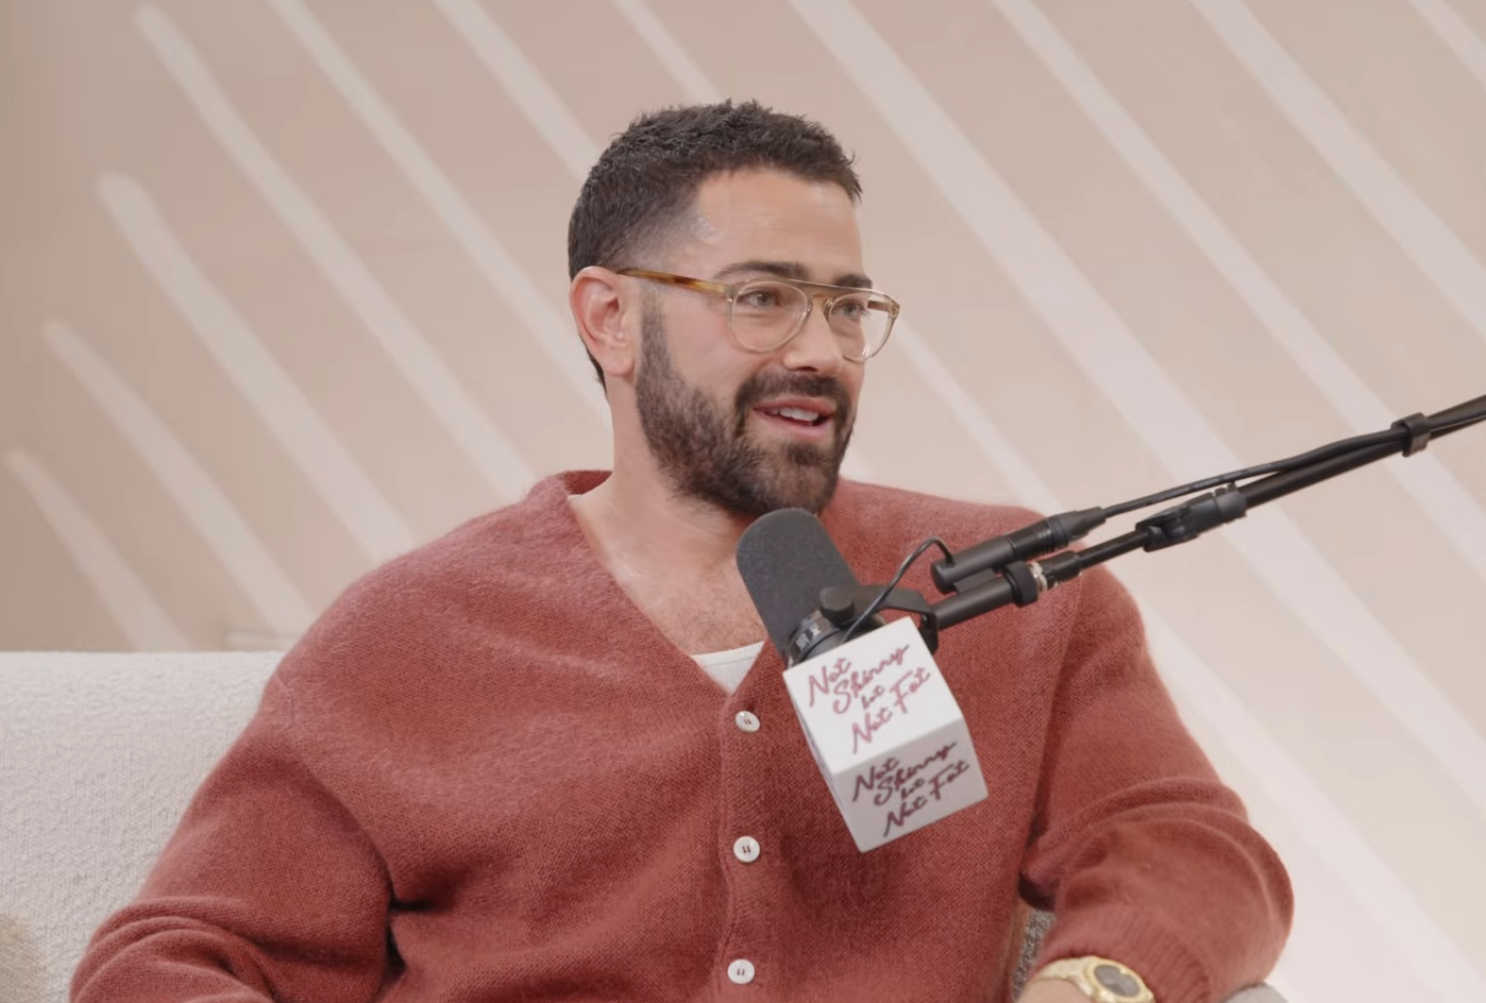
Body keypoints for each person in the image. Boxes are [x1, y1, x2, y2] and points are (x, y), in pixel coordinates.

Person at [72, 101, 1291, 1003]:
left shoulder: (1006, 593)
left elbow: (1191, 851)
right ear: (610, 319)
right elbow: (175, 960)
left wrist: (1096, 986)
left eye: (847, 304)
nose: (820, 346)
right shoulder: (407, 635)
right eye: (761, 297)